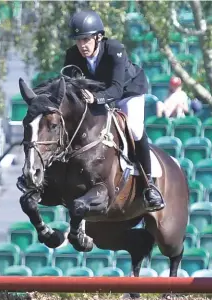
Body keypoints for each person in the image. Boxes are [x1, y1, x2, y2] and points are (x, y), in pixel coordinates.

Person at [63, 9, 165, 212]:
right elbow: (69, 86)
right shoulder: (72, 55)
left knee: (134, 129)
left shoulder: (114, 49)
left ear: (98, 37)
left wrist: (96, 98)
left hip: (128, 92)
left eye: (86, 39)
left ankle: (149, 186)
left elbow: (117, 89)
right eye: (78, 40)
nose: (82, 45)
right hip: (98, 95)